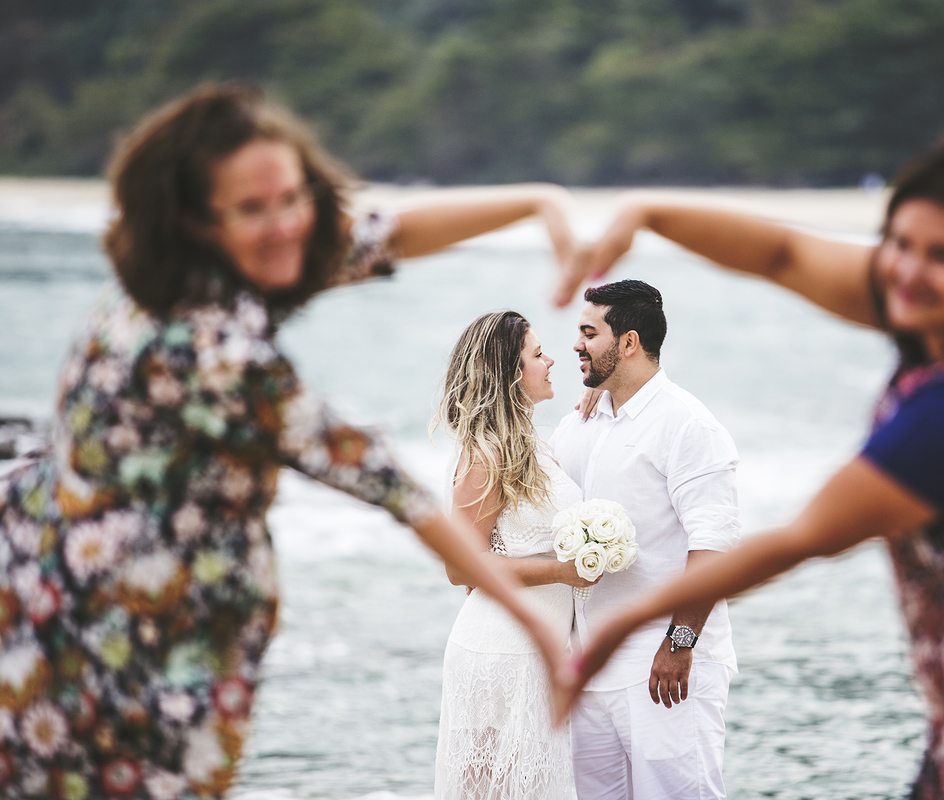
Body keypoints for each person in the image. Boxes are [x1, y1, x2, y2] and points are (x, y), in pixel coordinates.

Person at [552, 131, 944, 799]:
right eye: (900, 244)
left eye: (941, 255)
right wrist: (646, 215)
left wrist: (629, 625)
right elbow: (782, 252)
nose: (908, 272)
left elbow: (801, 540)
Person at [0, 83, 575, 800]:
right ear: (195, 221)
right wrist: (534, 617)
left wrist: (538, 202)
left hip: (101, 604)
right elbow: (396, 490)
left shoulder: (210, 275)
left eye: (293, 199)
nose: (283, 225)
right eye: (251, 208)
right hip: (110, 648)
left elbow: (386, 236)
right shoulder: (212, 354)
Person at [549, 279, 741, 800]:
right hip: (590, 662)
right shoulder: (580, 421)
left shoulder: (687, 426)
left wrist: (679, 645)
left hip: (665, 667)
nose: (576, 344)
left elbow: (714, 546)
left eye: (590, 333)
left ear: (628, 342)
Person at [432, 310, 596, 800]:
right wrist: (562, 572)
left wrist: (602, 393)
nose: (551, 361)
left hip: (539, 651)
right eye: (537, 354)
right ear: (510, 372)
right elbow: (460, 566)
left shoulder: (533, 444)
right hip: (500, 652)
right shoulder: (486, 454)